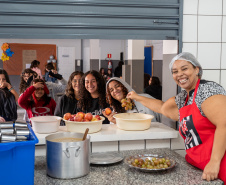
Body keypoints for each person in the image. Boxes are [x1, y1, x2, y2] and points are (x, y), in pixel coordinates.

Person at [127, 52, 226, 183]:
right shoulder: (183, 98)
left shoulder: (208, 90)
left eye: (184, 68)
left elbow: (224, 124)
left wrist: (214, 161)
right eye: (175, 71)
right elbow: (162, 108)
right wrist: (136, 97)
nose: (179, 74)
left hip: (219, 166)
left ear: (197, 69)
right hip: (199, 167)